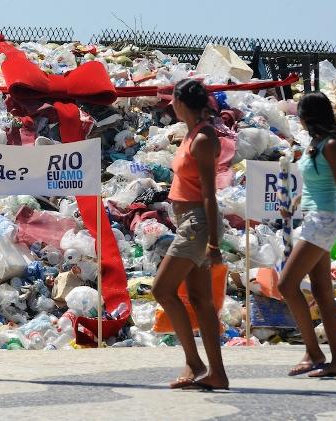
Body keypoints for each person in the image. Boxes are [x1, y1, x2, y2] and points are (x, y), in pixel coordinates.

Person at [152, 78, 229, 390]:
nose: (170, 104)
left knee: (162, 289)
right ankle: (217, 373)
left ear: (182, 102)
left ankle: (195, 362)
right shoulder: (192, 133)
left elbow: (210, 194)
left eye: (172, 99)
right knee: (200, 299)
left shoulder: (203, 138)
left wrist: (213, 242)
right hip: (189, 221)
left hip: (198, 224)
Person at [279, 92, 336, 378]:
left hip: (324, 221)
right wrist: (296, 202)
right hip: (313, 216)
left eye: (300, 113)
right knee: (322, 292)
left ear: (309, 115)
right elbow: (312, 183)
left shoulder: (332, 145)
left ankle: (314, 351)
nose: (298, 118)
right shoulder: (316, 144)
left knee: (286, 285)